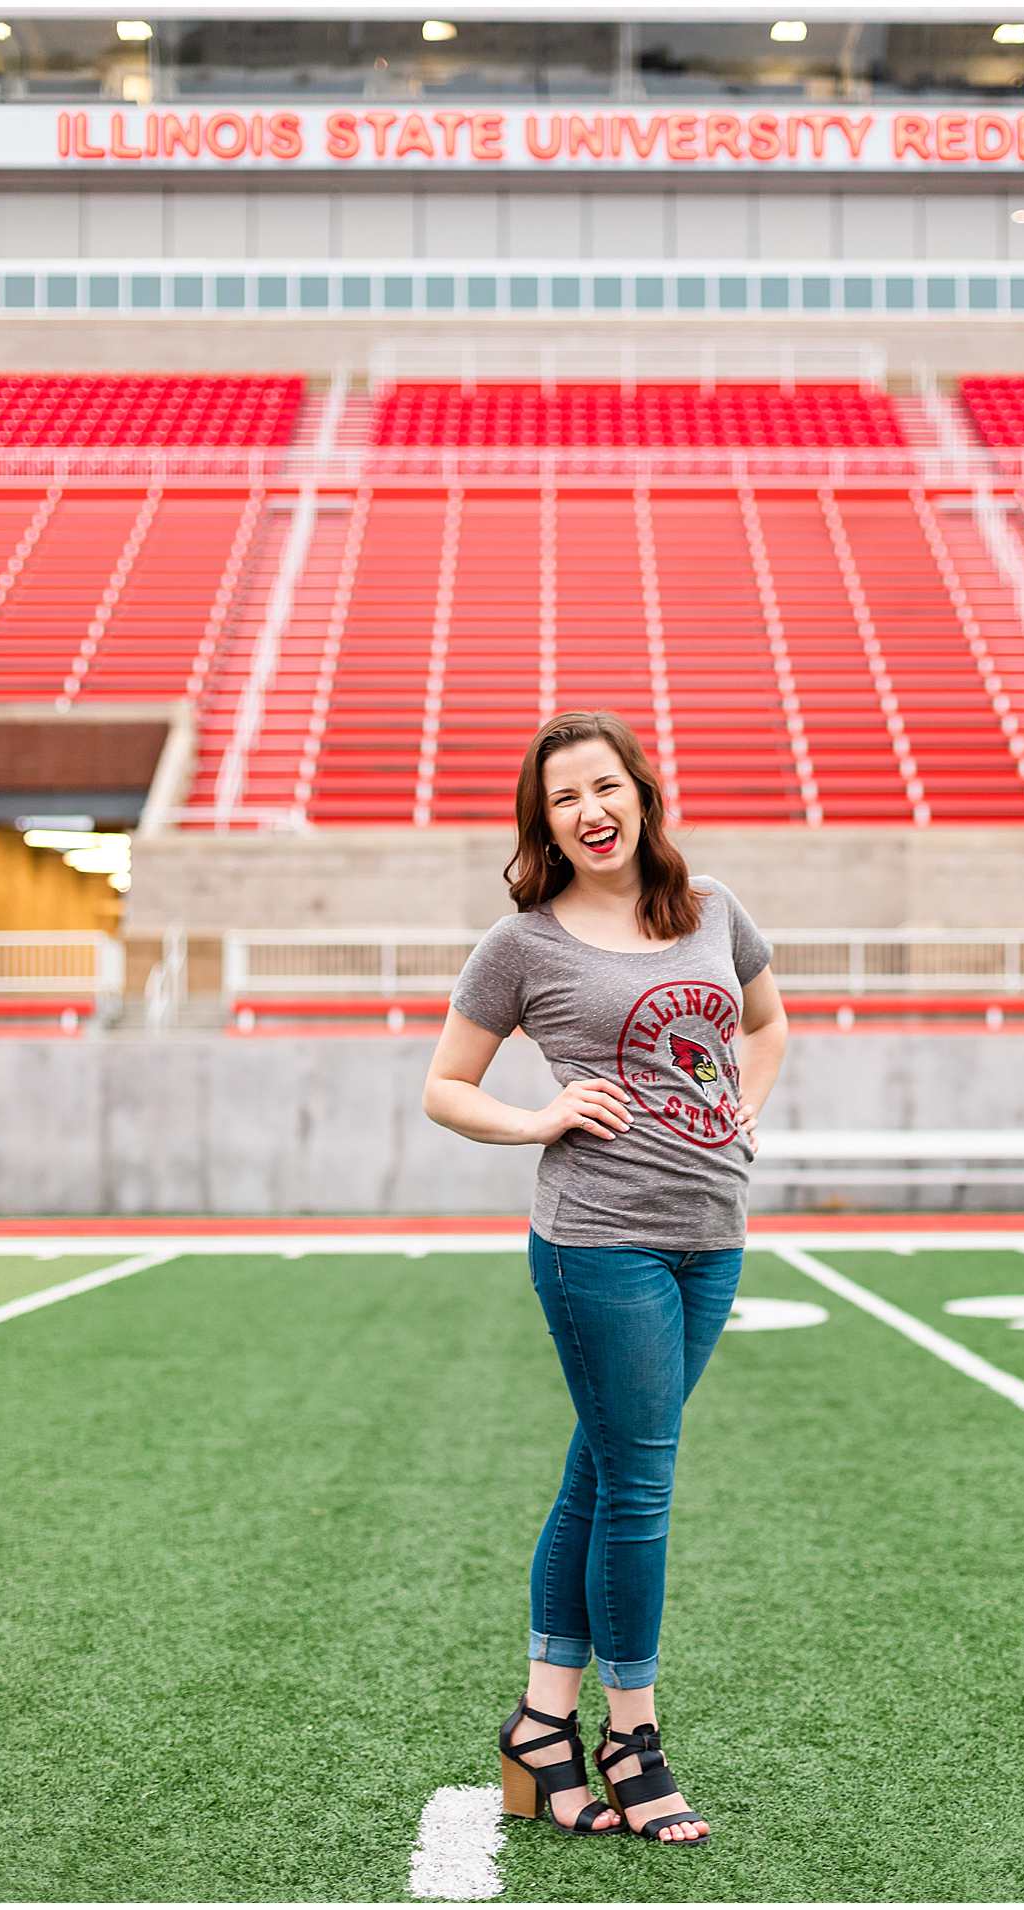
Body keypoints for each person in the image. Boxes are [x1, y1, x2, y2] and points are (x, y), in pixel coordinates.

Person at [422, 709, 788, 1848]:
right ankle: (632, 1737)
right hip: (597, 1240)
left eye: (605, 786)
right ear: (543, 820)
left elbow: (768, 1024)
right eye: (563, 797)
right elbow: (445, 1083)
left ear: (641, 792)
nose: (589, 810)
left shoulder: (712, 909)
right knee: (638, 1484)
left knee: (601, 1470)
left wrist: (743, 1115)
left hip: (712, 1236)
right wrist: (540, 1114)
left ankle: (539, 1728)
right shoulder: (523, 941)